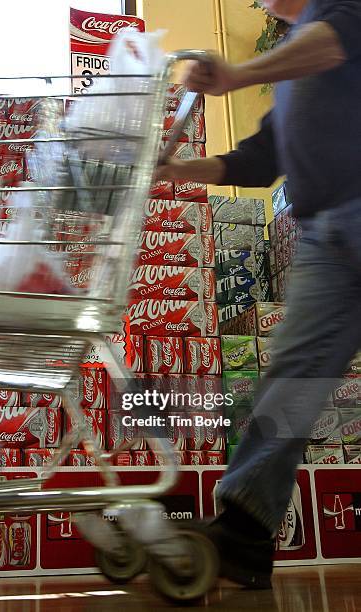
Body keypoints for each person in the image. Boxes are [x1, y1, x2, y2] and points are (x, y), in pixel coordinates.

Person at [157, 0, 361, 590]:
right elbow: (259, 158)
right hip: (325, 235)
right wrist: (176, 173)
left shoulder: (332, 16)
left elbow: (339, 39)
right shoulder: (298, 50)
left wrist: (240, 74)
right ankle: (244, 530)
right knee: (293, 376)